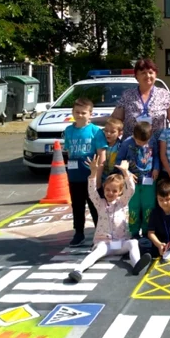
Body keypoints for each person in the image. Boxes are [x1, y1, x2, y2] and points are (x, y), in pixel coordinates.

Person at [68, 157, 152, 282]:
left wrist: (125, 172)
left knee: (133, 243)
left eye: (114, 191)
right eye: (107, 190)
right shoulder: (99, 203)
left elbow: (132, 189)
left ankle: (136, 265)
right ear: (103, 188)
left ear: (120, 192)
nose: (110, 193)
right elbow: (91, 192)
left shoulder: (122, 202)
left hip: (120, 242)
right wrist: (93, 173)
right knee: (96, 253)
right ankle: (78, 270)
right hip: (105, 244)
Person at [63, 97, 107, 246]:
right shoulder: (68, 131)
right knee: (77, 205)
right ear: (72, 112)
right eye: (77, 112)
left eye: (83, 113)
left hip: (91, 176)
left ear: (90, 114)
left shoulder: (96, 131)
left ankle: (99, 232)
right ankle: (79, 232)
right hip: (75, 176)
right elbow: (68, 151)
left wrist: (98, 176)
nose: (80, 115)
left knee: (95, 205)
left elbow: (102, 154)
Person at [111, 58, 170, 139]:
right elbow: (116, 119)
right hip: (132, 146)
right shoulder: (127, 95)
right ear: (136, 76)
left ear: (155, 75)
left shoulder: (165, 95)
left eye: (151, 72)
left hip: (159, 146)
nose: (148, 76)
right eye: (143, 73)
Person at [116, 121, 159, 238]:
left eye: (144, 142)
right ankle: (134, 231)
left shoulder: (153, 141)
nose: (141, 144)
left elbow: (156, 156)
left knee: (149, 206)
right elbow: (119, 161)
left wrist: (156, 168)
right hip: (132, 181)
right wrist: (128, 173)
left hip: (149, 180)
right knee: (134, 206)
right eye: (139, 142)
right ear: (134, 136)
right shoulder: (126, 143)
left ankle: (147, 231)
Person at [101, 117, 124, 192]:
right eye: (106, 131)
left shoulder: (121, 146)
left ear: (120, 133)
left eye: (112, 132)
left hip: (116, 179)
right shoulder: (101, 145)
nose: (108, 133)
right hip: (103, 177)